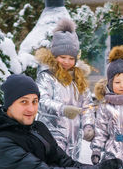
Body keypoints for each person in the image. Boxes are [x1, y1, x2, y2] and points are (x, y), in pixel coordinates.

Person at [35, 18, 95, 161]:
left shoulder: (78, 80)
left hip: (74, 139)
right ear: (54, 56)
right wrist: (63, 109)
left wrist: (88, 125)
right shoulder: (46, 77)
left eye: (71, 58)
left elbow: (87, 105)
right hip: (51, 135)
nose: (67, 62)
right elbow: (41, 101)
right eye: (63, 57)